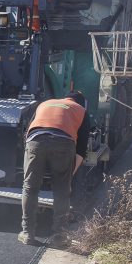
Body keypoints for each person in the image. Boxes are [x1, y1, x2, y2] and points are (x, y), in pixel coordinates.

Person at [19, 91, 89, 247]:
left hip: (35, 140)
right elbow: (81, 149)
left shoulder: (45, 103)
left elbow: (28, 131)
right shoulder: (81, 110)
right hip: (64, 143)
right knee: (62, 191)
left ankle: (27, 233)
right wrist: (69, 175)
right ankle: (59, 236)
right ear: (81, 102)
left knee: (30, 188)